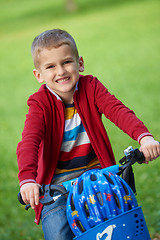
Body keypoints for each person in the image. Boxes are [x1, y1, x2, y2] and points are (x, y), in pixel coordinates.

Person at [17, 29, 160, 240]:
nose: (60, 71)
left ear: (80, 63)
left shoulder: (91, 87)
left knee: (123, 224)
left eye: (66, 62)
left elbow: (118, 111)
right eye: (50, 66)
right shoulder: (40, 104)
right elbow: (29, 141)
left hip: (98, 176)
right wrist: (27, 180)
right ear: (39, 75)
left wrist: (144, 137)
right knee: (58, 231)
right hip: (58, 186)